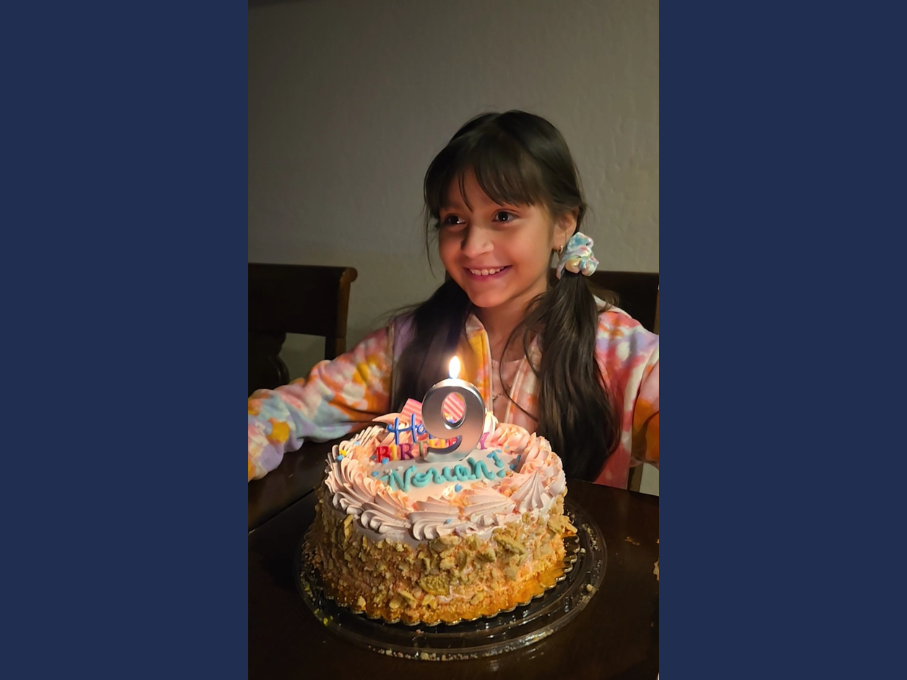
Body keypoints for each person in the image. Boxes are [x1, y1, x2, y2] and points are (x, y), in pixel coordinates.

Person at [248, 110, 659, 488]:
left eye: (502, 216)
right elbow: (292, 409)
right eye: (454, 220)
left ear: (562, 226)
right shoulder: (408, 344)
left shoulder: (619, 354)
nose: (473, 245)